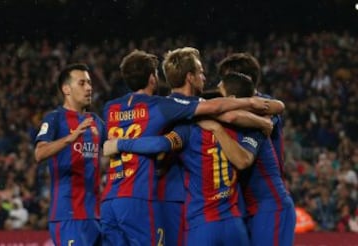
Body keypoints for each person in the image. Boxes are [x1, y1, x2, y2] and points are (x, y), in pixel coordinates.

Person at [100, 49, 274, 246]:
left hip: (115, 194)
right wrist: (254, 107)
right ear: (152, 78)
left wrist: (117, 144)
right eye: (200, 71)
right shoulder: (165, 107)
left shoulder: (111, 107)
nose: (204, 76)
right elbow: (218, 113)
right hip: (163, 198)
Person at [217, 72, 296, 246]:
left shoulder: (256, 123)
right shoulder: (252, 119)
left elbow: (243, 160)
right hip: (252, 208)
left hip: (272, 207)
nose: (215, 99)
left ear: (231, 98)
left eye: (219, 91)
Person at [34, 63, 105, 246]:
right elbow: (39, 153)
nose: (89, 88)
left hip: (97, 215)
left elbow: (114, 148)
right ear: (66, 89)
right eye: (82, 83)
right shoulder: (54, 118)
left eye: (89, 83)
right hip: (68, 215)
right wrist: (69, 139)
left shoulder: (96, 122)